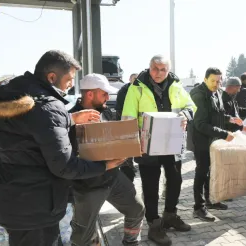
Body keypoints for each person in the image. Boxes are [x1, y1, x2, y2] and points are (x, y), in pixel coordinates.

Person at [0, 50, 124, 246]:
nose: (71, 84)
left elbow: (30, 132)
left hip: (14, 201)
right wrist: (105, 165)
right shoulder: (48, 106)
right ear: (52, 77)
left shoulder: (17, 97)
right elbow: (65, 166)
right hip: (36, 209)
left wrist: (69, 119)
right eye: (69, 79)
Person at [121, 55, 194, 246]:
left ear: (168, 70)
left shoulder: (177, 86)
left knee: (176, 180)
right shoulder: (136, 88)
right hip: (148, 145)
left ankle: (170, 215)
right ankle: (154, 224)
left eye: (163, 69)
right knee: (150, 186)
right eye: (155, 68)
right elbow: (127, 116)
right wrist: (133, 140)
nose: (159, 73)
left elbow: (191, 105)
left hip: (172, 143)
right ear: (149, 67)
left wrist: (186, 115)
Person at [68, 73, 145, 246]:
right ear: (90, 94)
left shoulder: (106, 112)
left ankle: (131, 243)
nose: (107, 97)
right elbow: (68, 160)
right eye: (104, 93)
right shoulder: (71, 119)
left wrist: (130, 149)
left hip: (112, 177)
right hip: (87, 185)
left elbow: (116, 141)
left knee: (136, 209)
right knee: (83, 236)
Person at [190, 68, 243, 222]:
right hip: (201, 141)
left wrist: (230, 119)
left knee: (211, 171)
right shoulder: (198, 95)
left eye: (219, 81)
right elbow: (200, 124)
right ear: (205, 79)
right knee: (202, 172)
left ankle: (210, 200)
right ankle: (198, 207)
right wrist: (224, 134)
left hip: (213, 141)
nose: (216, 84)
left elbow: (217, 114)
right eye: (213, 81)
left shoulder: (218, 92)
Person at [115, 73, 140, 182]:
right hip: (126, 127)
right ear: (130, 79)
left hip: (137, 125)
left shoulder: (139, 90)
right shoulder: (124, 91)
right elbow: (119, 111)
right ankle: (128, 176)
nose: (135, 81)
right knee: (127, 155)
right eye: (134, 79)